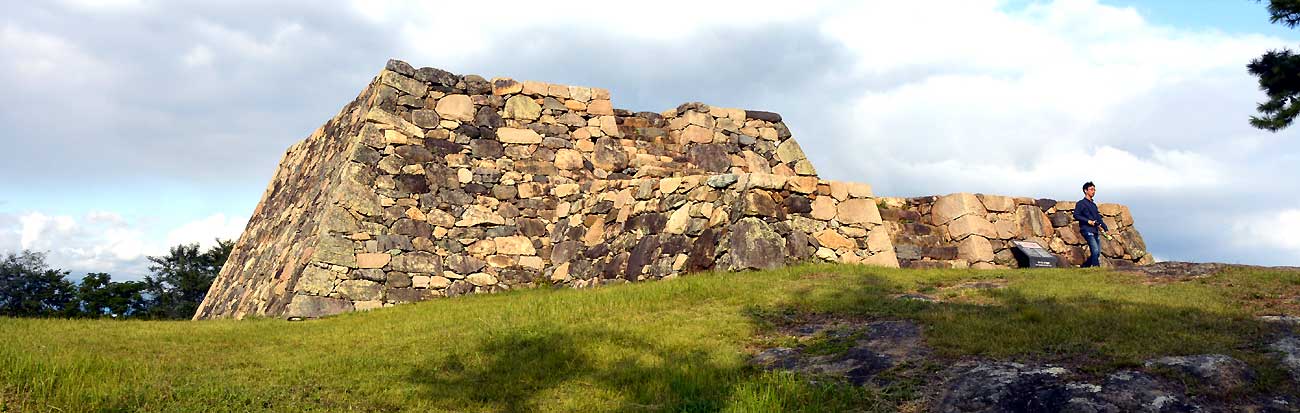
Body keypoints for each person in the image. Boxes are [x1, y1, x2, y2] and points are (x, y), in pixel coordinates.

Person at [1073, 181, 1109, 268]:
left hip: (1095, 230)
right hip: (1086, 229)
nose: (1093, 191)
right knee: (1095, 250)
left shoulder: (1093, 205)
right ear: (1086, 191)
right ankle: (1096, 267)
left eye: (1094, 189)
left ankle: (1085, 266)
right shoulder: (1081, 203)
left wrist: (1106, 228)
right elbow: (1076, 215)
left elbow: (1098, 218)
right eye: (1091, 189)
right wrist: (1088, 221)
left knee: (1098, 252)